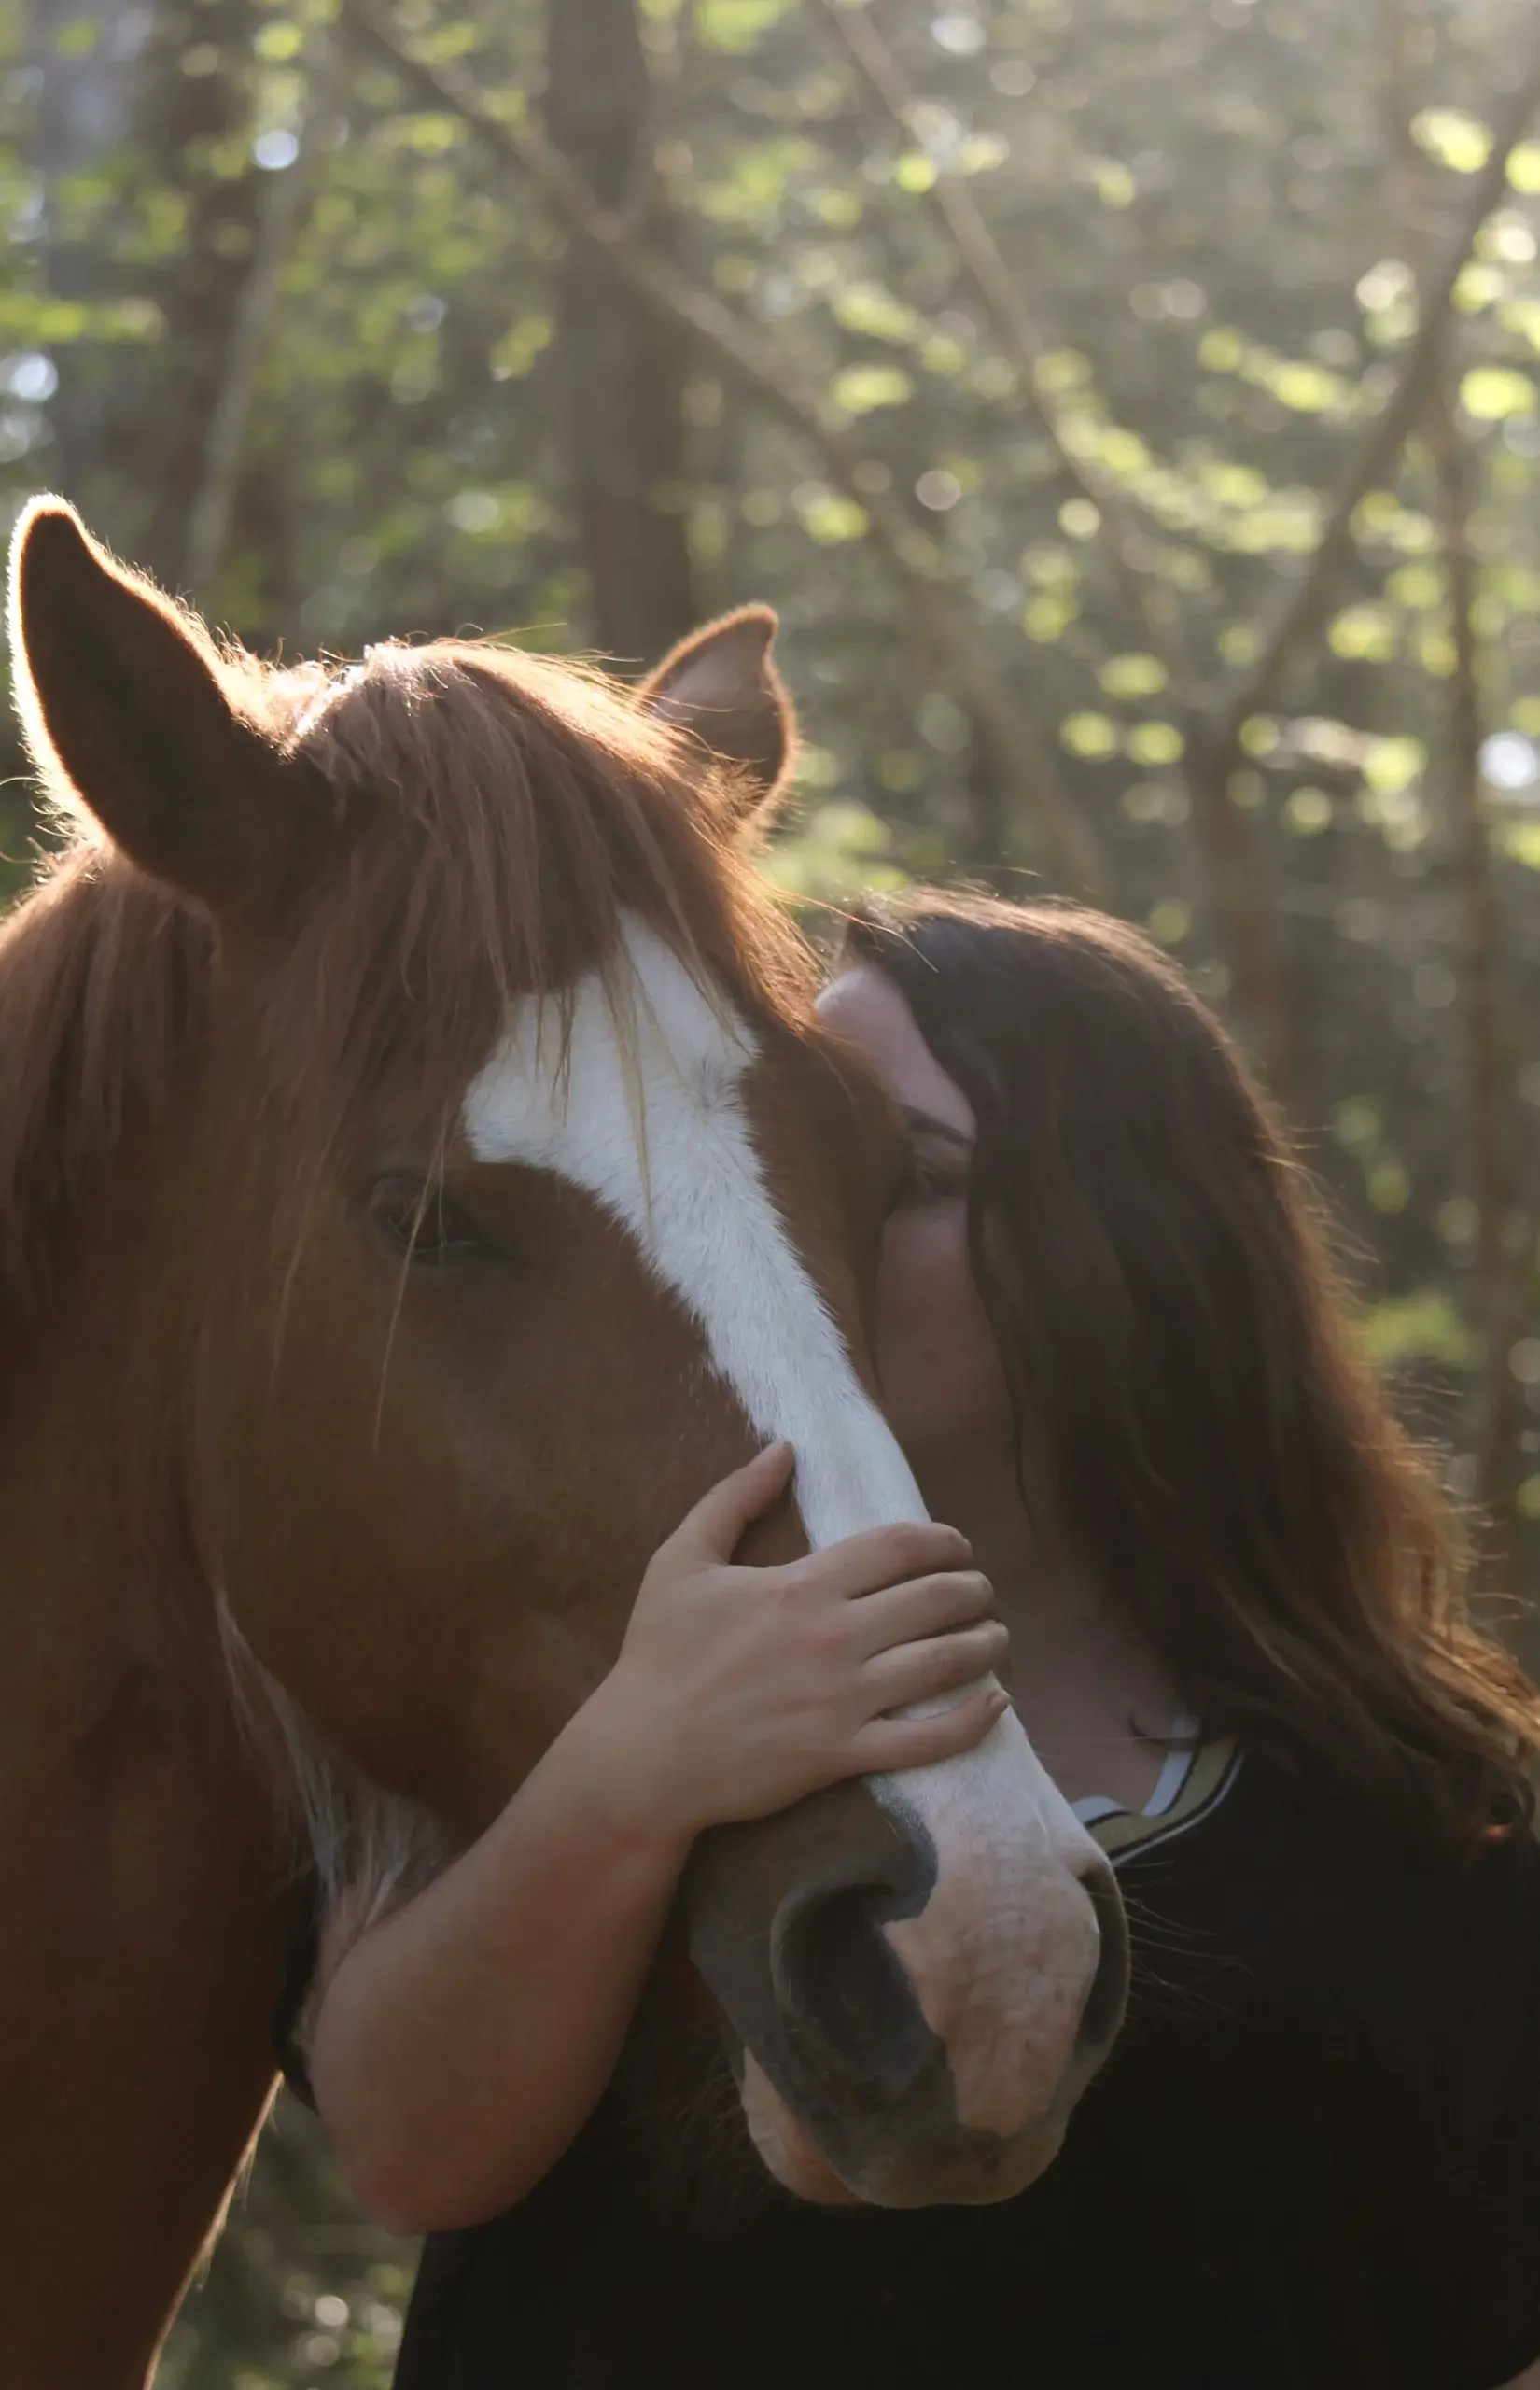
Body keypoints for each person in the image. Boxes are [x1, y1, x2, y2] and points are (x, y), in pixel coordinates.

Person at [276, 893, 1540, 2390]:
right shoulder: (531, 1674)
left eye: (900, 1179)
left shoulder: (1427, 1816)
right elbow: (407, 2152)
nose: (790, 1222)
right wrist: (631, 1769)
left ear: (1128, 1249)